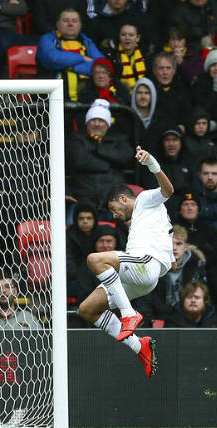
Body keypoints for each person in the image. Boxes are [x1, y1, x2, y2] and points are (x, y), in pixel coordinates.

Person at [77, 146, 175, 378]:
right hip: (140, 276)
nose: (114, 216)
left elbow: (168, 190)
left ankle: (129, 313)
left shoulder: (143, 199)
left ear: (123, 198)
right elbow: (171, 261)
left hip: (145, 264)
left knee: (95, 259)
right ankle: (138, 346)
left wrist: (151, 162)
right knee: (87, 309)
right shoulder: (149, 219)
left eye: (114, 209)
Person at [66, 99, 135, 208]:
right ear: (87, 122)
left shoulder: (119, 138)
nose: (97, 124)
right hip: (82, 198)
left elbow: (126, 158)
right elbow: (79, 161)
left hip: (114, 198)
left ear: (107, 124)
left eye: (101, 120)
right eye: (93, 120)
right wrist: (109, 164)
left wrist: (97, 149)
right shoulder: (76, 138)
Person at [137, 225, 207, 322]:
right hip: (159, 320)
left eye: (178, 244)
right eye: (170, 244)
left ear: (186, 247)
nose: (174, 248)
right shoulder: (153, 266)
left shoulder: (196, 266)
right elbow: (144, 299)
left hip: (188, 320)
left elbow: (204, 300)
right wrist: (150, 321)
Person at [36, 8, 104, 101]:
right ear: (57, 24)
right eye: (65, 20)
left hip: (86, 100)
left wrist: (72, 68)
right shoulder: (47, 39)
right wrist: (83, 58)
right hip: (51, 101)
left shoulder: (87, 42)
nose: (70, 24)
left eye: (74, 21)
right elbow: (54, 58)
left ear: (80, 25)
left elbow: (102, 65)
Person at [194, 157, 217, 237]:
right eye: (206, 173)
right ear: (200, 175)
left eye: (214, 173)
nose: (210, 177)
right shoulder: (192, 196)